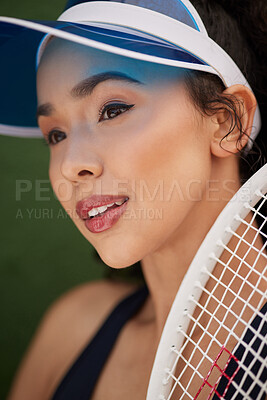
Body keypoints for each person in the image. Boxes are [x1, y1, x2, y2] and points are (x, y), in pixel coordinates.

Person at [0, 0, 266, 399]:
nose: (72, 165)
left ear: (227, 122)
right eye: (56, 134)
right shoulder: (72, 329)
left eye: (112, 109)